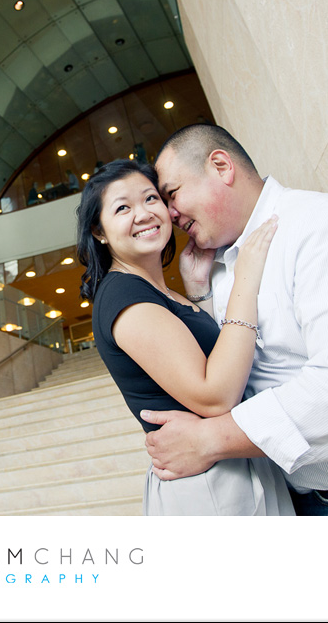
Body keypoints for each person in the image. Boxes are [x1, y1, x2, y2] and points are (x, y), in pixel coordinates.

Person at [147, 123, 328, 515]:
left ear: (220, 166)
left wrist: (209, 440)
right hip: (307, 496)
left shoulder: (319, 224)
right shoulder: (219, 266)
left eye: (172, 194)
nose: (170, 214)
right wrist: (199, 291)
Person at [76, 158, 294, 515]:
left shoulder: (159, 290)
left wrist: (196, 292)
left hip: (230, 465)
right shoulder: (123, 297)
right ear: (99, 231)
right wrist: (246, 277)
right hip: (207, 486)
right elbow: (215, 396)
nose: (143, 213)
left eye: (150, 198)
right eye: (122, 208)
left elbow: (212, 357)